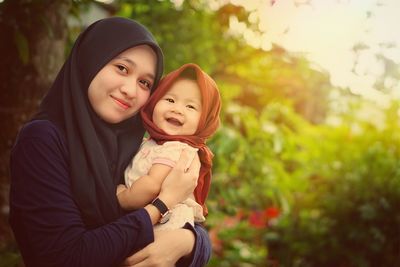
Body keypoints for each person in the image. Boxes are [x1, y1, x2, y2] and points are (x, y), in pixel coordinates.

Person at [9, 17, 211, 267]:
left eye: (144, 83)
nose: (130, 90)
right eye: (122, 68)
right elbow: (64, 257)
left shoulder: (138, 144)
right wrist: (161, 205)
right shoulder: (42, 140)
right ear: (91, 60)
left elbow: (193, 220)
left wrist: (188, 242)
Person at [117, 63, 221, 232]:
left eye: (191, 106)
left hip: (163, 225)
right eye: (170, 100)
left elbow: (152, 185)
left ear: (205, 120)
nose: (177, 109)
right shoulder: (153, 142)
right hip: (145, 219)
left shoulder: (176, 150)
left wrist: (122, 196)